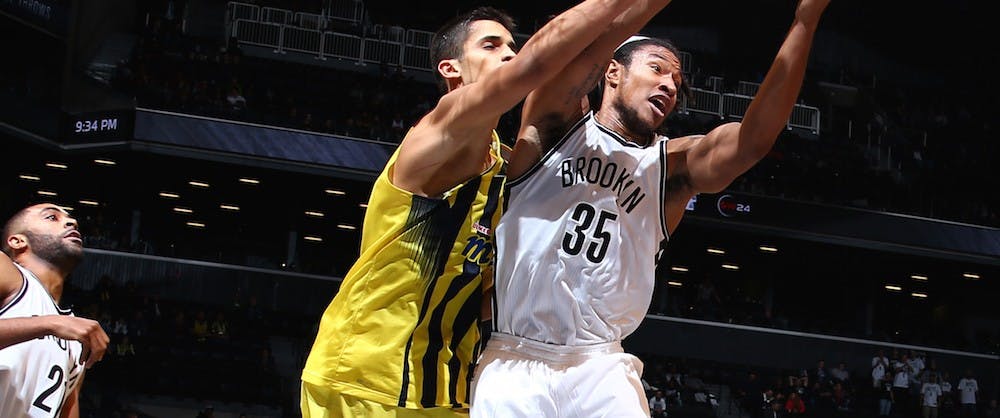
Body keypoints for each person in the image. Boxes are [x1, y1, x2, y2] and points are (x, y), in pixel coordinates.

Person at [471, 0, 831, 416]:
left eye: (677, 81)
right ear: (612, 71)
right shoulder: (553, 125)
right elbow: (582, 49)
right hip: (514, 359)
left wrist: (806, 19)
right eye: (658, 69)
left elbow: (753, 139)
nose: (671, 86)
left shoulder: (671, 167)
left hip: (599, 366)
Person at [299, 1, 645, 416]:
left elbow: (586, 55)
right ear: (452, 70)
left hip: (447, 387)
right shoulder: (438, 127)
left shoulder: (503, 166)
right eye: (491, 45)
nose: (509, 53)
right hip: (365, 376)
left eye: (512, 46)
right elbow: (537, 66)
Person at [0, 203, 110, 417]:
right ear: (17, 241)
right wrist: (50, 324)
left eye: (70, 218)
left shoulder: (75, 337)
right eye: (52, 217)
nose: (71, 221)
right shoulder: (9, 272)